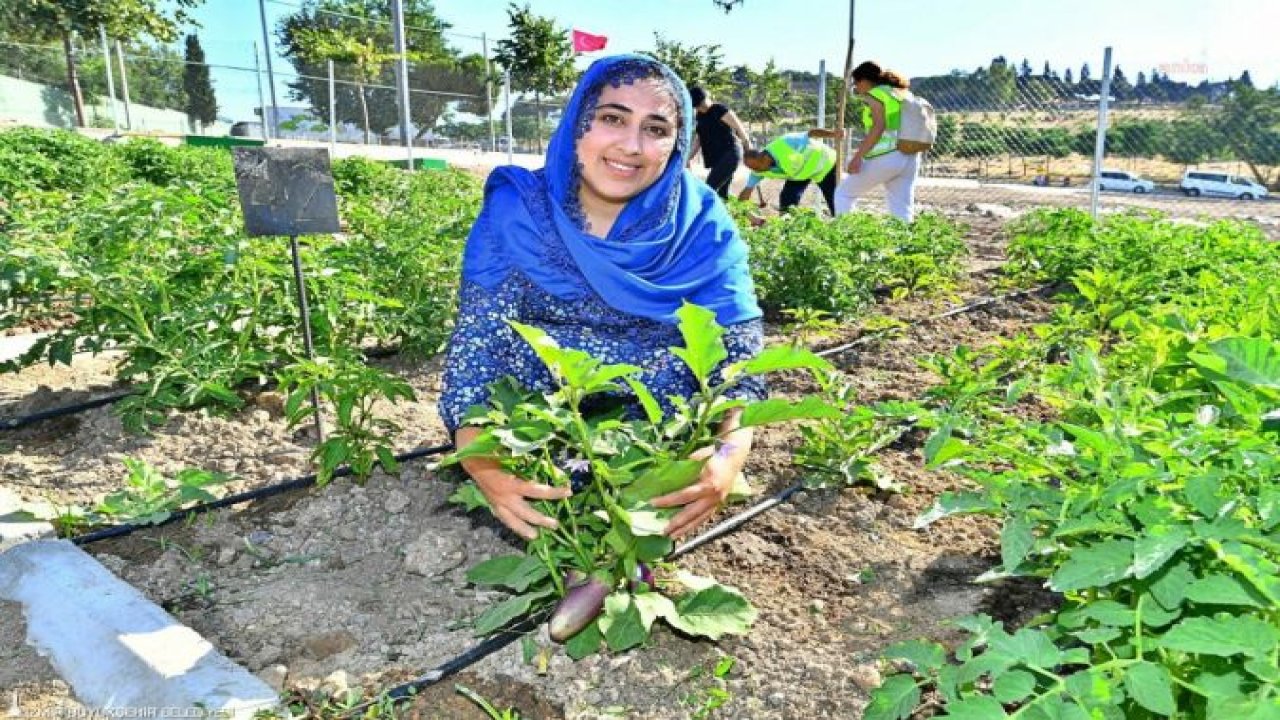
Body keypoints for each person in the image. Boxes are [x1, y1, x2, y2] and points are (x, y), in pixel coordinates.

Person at [438, 55, 766, 543]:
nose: (631, 146)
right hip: (537, 423)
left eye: (655, 128)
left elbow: (737, 356)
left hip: (655, 431)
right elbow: (479, 342)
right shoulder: (518, 210)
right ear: (577, 125)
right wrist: (482, 461)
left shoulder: (701, 223)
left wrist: (727, 455)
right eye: (612, 118)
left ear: (677, 145)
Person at [834, 61, 921, 222]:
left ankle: (846, 238)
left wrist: (858, 157)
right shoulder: (901, 93)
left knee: (843, 194)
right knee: (902, 210)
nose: (856, 87)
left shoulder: (876, 94)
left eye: (856, 82)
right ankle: (908, 246)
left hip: (887, 155)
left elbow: (878, 127)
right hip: (910, 156)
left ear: (865, 80)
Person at [736, 128, 843, 215]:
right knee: (787, 198)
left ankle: (844, 226)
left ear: (762, 157)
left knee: (836, 202)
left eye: (756, 167)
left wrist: (834, 134)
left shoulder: (786, 142)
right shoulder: (758, 171)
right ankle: (788, 227)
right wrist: (740, 209)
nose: (756, 171)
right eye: (752, 169)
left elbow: (810, 133)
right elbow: (747, 191)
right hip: (801, 174)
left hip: (826, 164)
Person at [686, 86, 752, 199]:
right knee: (722, 194)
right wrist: (688, 157)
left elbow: (739, 127)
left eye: (703, 102)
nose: (702, 107)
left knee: (709, 188)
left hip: (730, 154)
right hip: (717, 158)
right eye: (699, 105)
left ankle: (705, 215)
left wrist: (748, 146)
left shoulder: (719, 109)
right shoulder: (700, 116)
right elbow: (699, 139)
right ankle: (737, 214)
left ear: (706, 97)